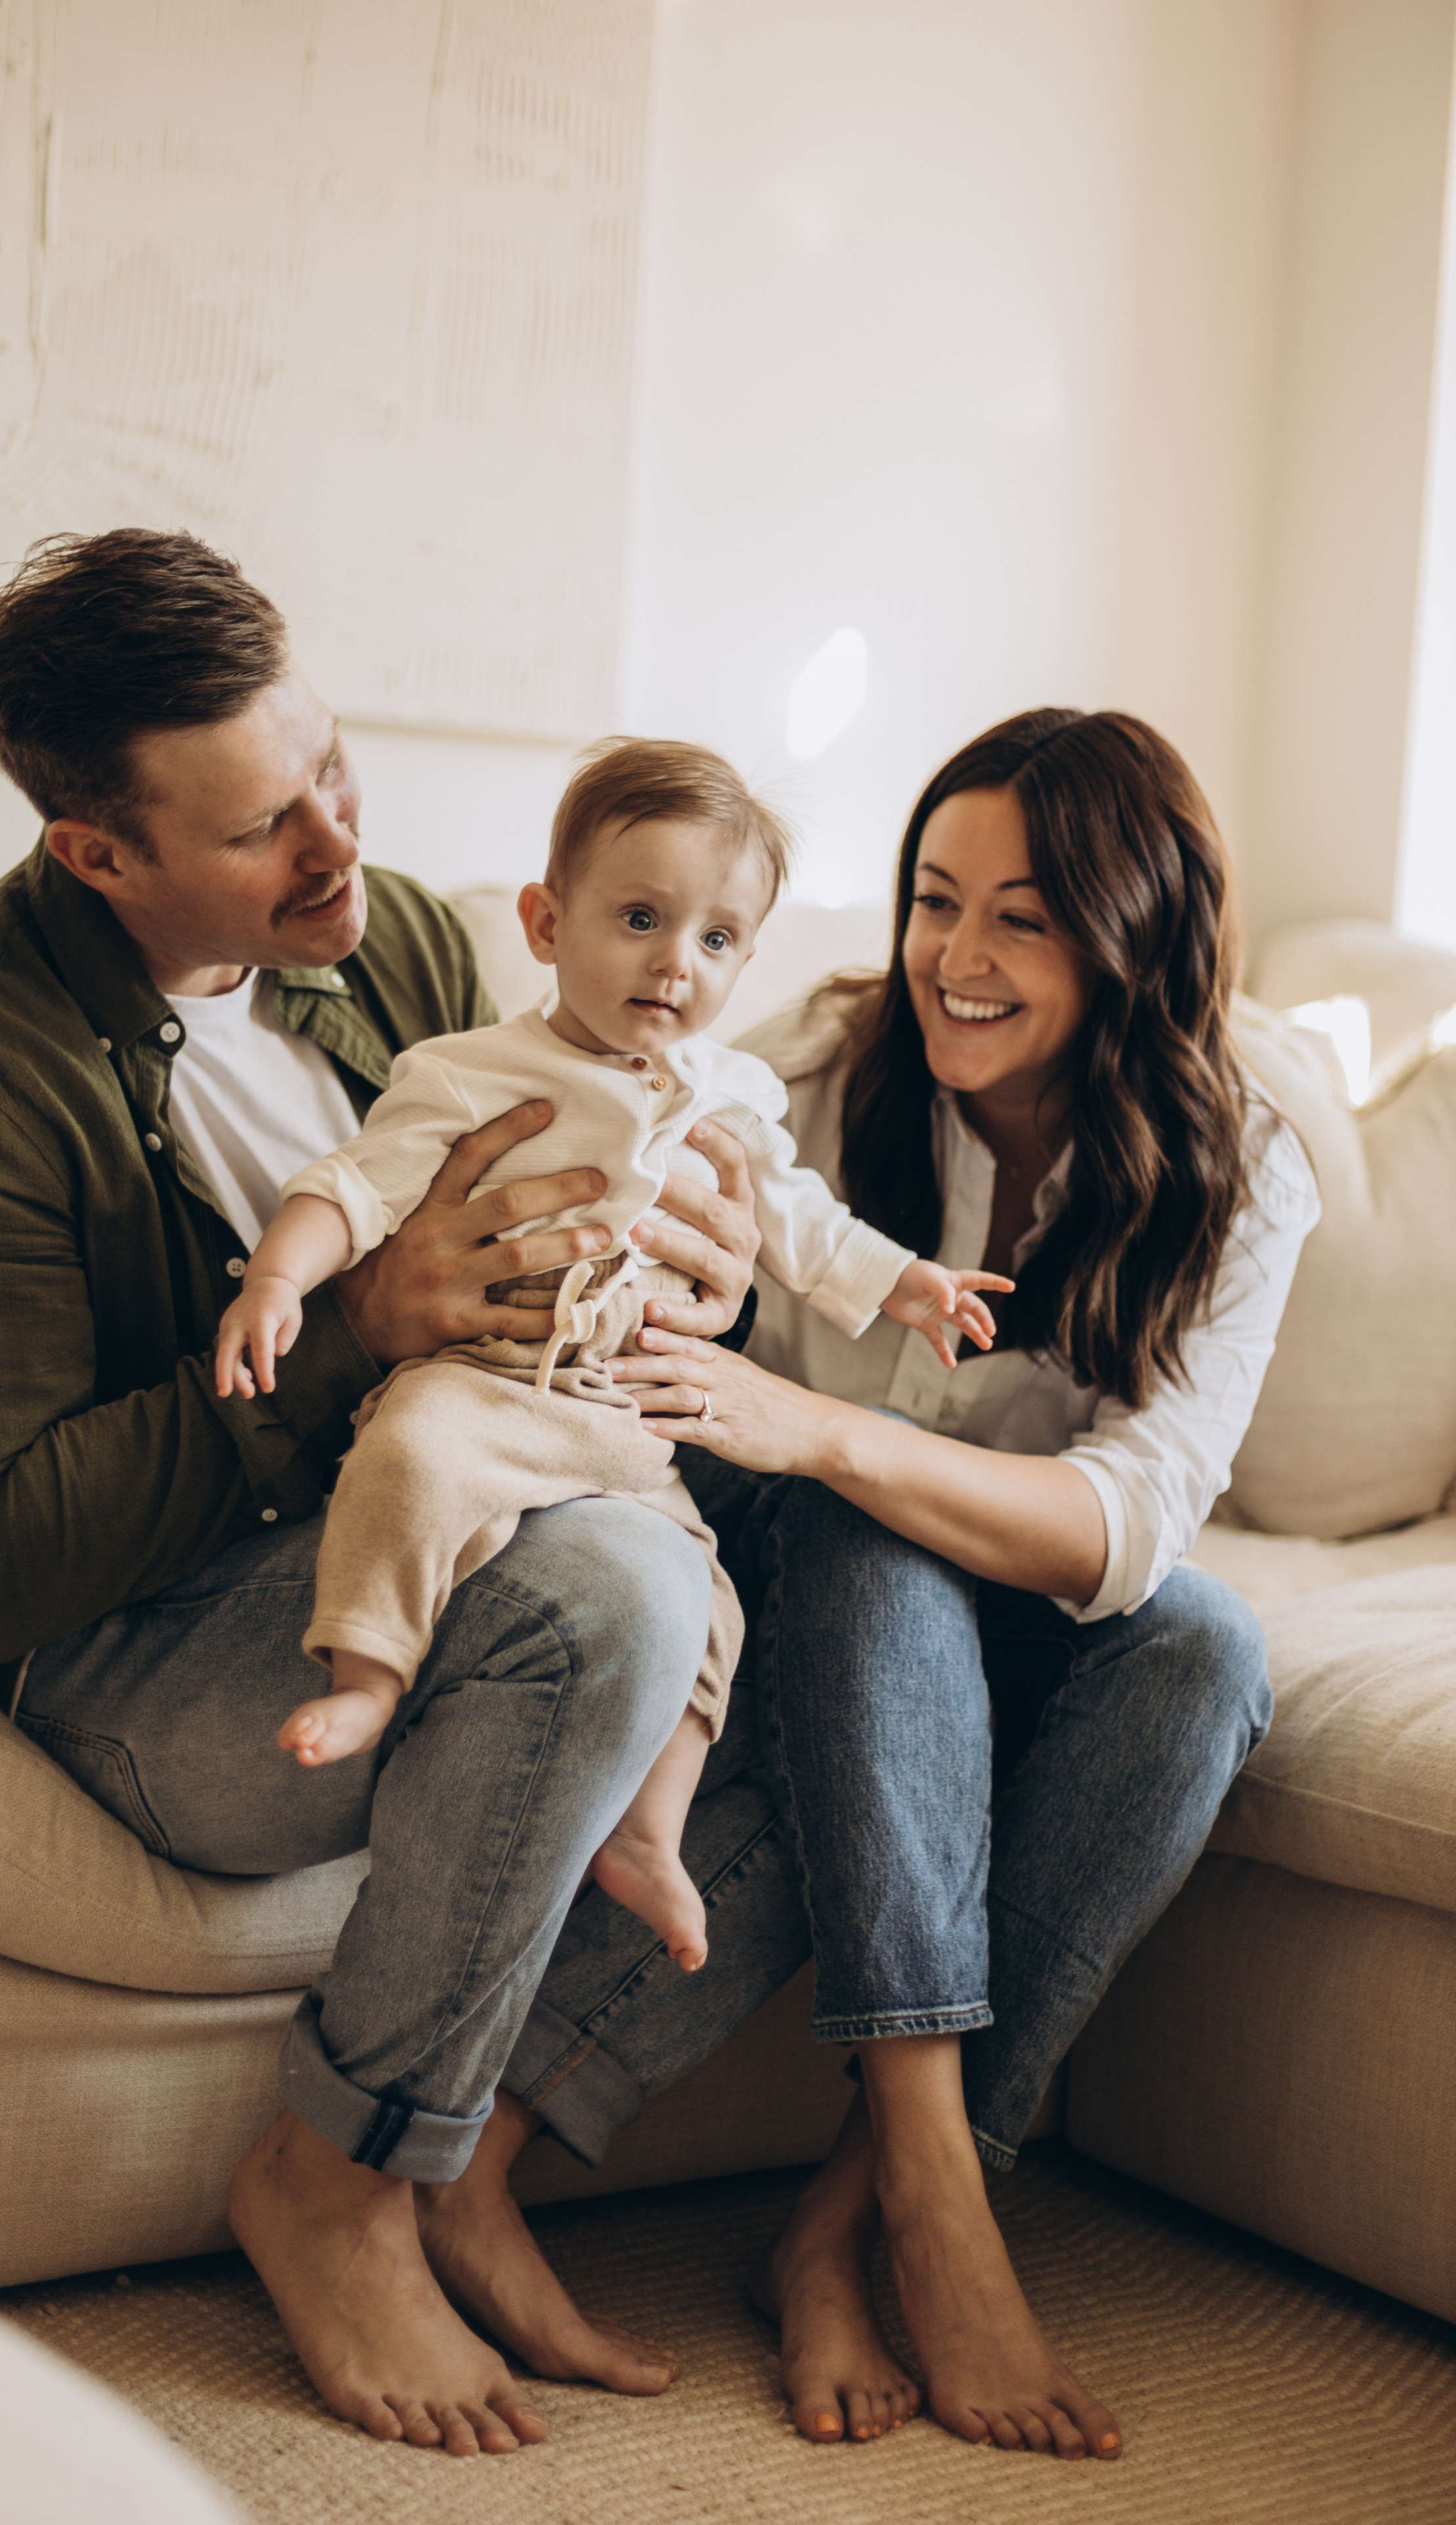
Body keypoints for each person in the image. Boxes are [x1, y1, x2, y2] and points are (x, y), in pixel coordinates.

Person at [0, 528, 793, 2455]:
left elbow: (612, 1168)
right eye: (267, 823)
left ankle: (485, 2154)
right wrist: (356, 1337)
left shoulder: (388, 942)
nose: (335, 841)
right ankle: (336, 2181)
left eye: (330, 763)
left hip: (436, 1504)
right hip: (120, 1639)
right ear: (100, 851)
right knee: (607, 1602)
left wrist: (701, 1261)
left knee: (845, 1565)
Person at [598, 709, 1323, 2459]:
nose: (958, 958)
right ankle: (939, 2187)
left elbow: (1139, 1523)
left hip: (967, 1568)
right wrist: (691, 1293)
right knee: (865, 1529)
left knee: (1211, 1651)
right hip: (787, 1569)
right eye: (936, 899)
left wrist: (828, 1429)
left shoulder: (1244, 1168)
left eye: (1026, 915)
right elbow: (648, 1221)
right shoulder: (821, 1078)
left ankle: (844, 2215)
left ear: (1132, 937)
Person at [214, 738, 1008, 1971]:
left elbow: (801, 1221)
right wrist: (277, 1279)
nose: (672, 964)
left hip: (621, 1413)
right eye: (640, 918)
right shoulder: (469, 1073)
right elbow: (353, 1189)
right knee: (408, 1459)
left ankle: (649, 1828)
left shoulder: (730, 1093)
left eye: (716, 940)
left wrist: (908, 1283)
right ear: (544, 922)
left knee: (701, 1602)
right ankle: (368, 1667)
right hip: (484, 1382)